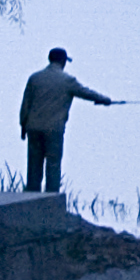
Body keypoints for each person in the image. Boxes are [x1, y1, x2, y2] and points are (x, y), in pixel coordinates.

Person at [17, 48, 113, 193]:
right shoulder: (67, 81)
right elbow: (86, 93)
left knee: (34, 164)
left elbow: (25, 104)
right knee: (53, 164)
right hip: (53, 129)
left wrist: (23, 125)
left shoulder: (34, 78)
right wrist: (104, 100)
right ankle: (51, 200)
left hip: (33, 128)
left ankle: (30, 198)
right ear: (62, 61)